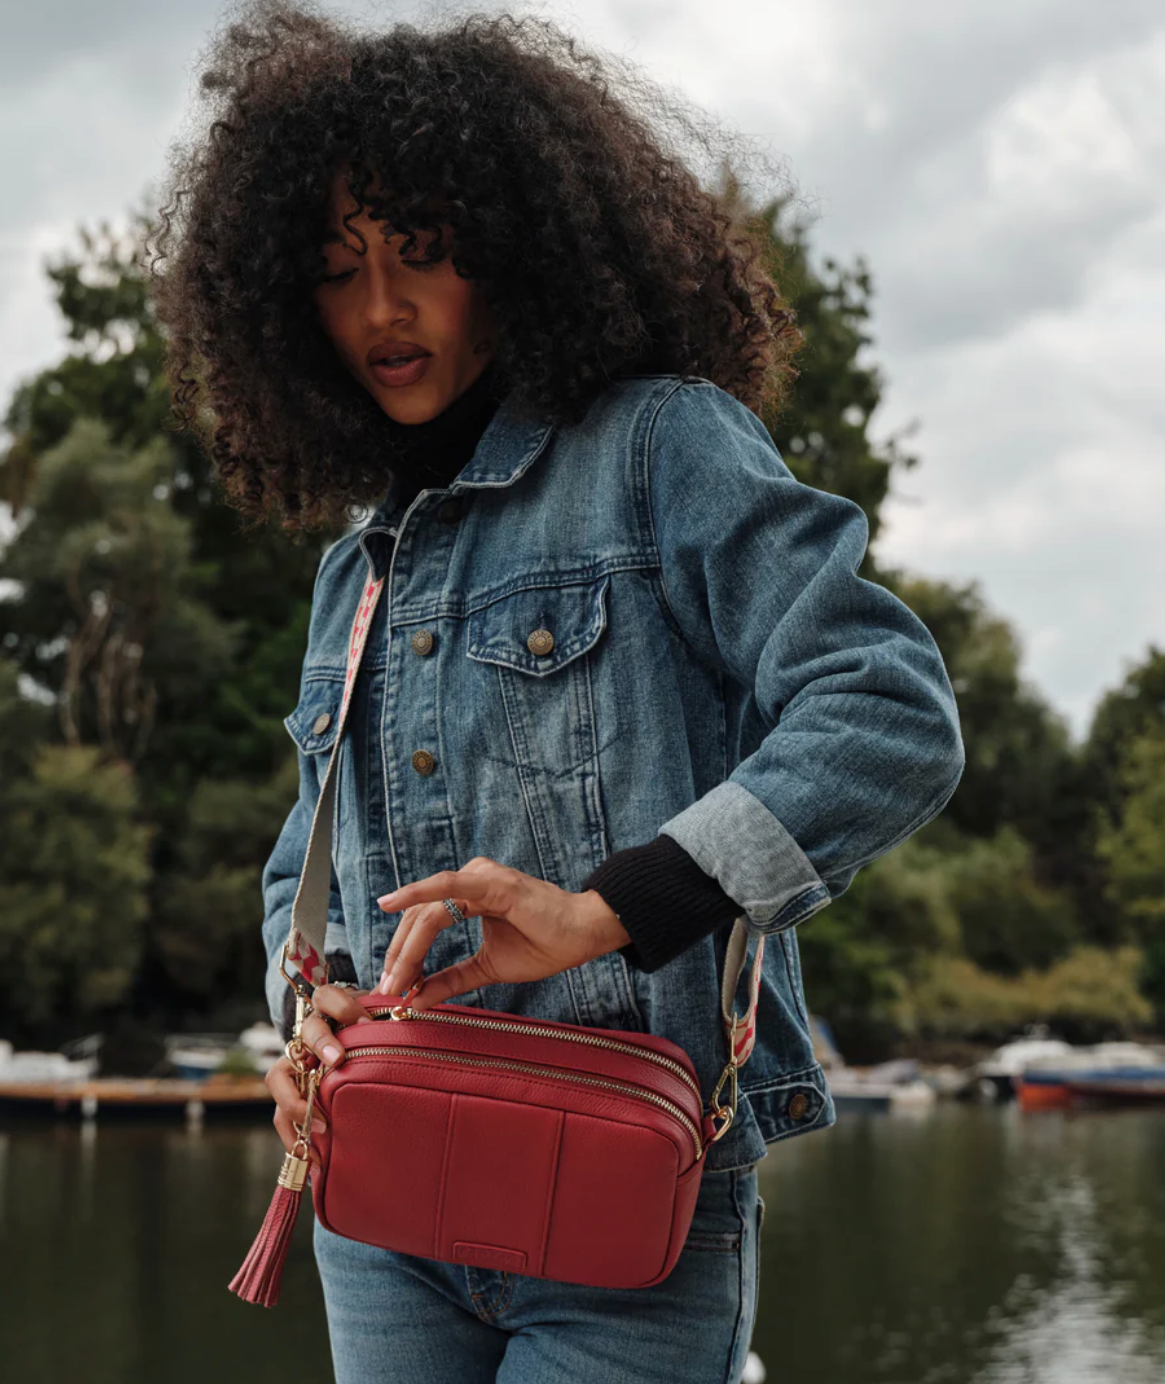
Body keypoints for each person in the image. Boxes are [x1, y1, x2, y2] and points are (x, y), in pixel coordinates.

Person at [148, 5, 965, 1380]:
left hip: (619, 1197)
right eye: (338, 271)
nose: (382, 311)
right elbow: (306, 866)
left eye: (421, 253)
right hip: (382, 1199)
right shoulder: (354, 566)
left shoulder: (661, 448)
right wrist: (313, 1011)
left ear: (517, 253)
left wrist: (604, 911)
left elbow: (884, 708)